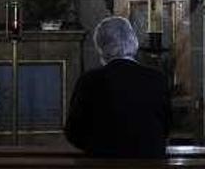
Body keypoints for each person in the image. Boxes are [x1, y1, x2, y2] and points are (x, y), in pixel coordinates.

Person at [65, 17, 170, 158]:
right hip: (148, 165)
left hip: (100, 167)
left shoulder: (89, 81)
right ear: (133, 41)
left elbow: (73, 132)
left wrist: (97, 147)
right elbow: (166, 127)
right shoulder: (157, 79)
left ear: (100, 46)